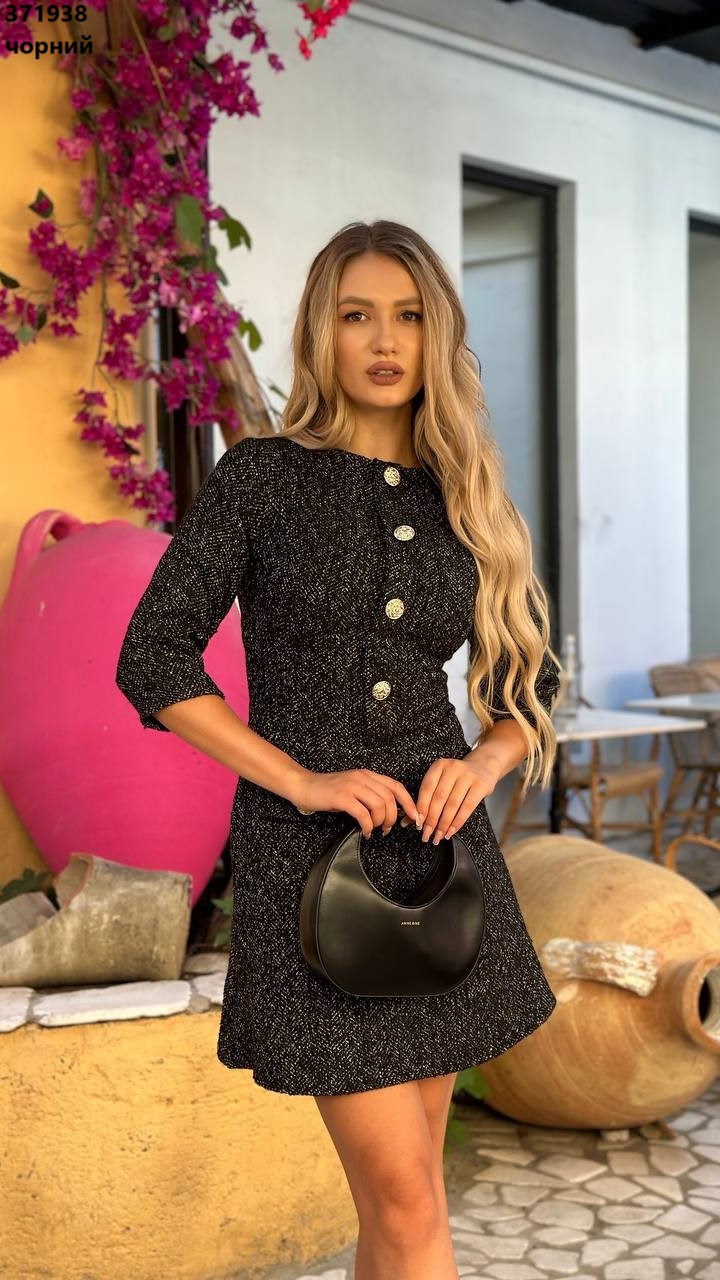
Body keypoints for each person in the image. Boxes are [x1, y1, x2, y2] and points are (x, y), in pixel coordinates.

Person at [115, 219, 561, 1280]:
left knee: (405, 1204)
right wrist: (300, 778)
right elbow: (153, 656)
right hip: (309, 869)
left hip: (440, 863)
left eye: (408, 316)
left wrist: (481, 764)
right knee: (405, 1200)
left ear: (437, 334)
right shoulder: (261, 478)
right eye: (358, 315)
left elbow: (528, 685)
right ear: (324, 331)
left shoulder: (467, 493)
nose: (385, 340)